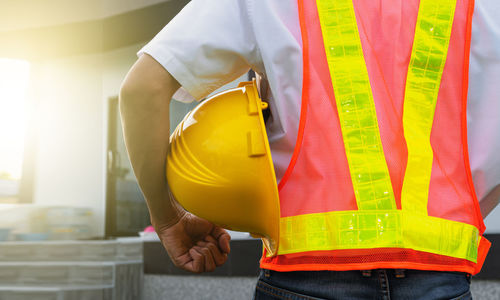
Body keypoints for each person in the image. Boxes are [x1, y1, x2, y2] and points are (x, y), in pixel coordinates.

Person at [119, 0, 500, 299]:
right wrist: (456, 215)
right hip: (441, 275)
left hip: (303, 277)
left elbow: (142, 90)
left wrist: (166, 218)